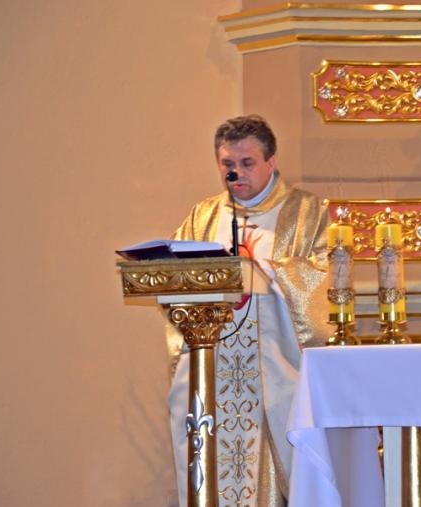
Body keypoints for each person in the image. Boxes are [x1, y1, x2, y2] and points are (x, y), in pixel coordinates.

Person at [169, 115, 330, 506]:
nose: (235, 173)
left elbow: (325, 274)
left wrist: (269, 268)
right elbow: (175, 280)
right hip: (213, 369)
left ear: (271, 162)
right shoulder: (203, 216)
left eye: (247, 163)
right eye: (227, 164)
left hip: (276, 370)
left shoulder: (306, 212)